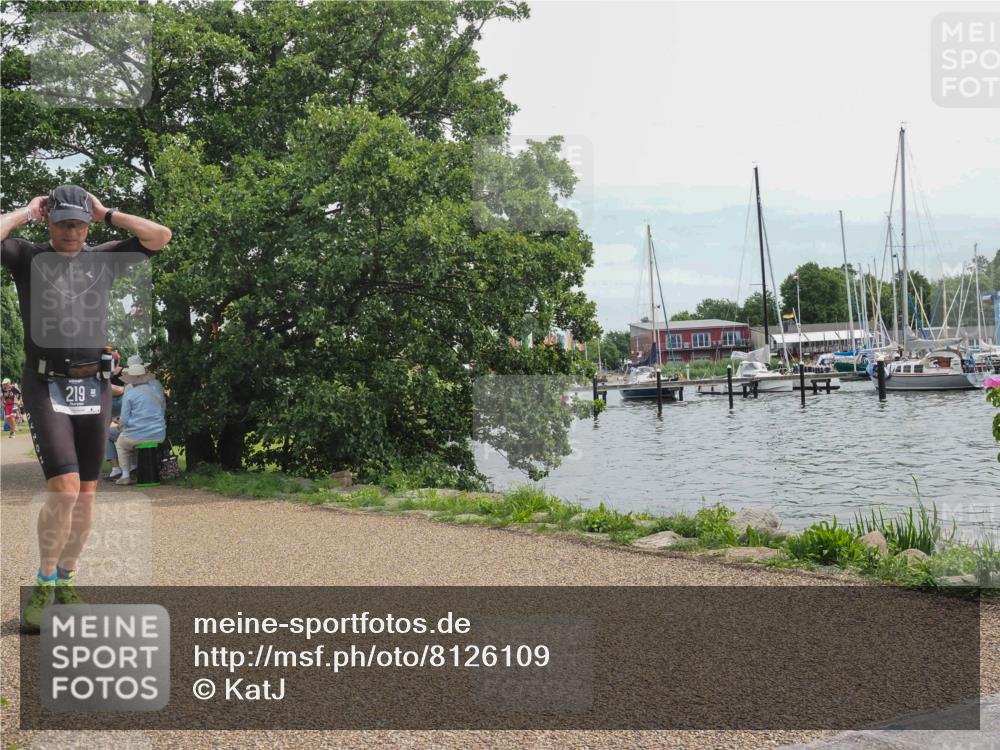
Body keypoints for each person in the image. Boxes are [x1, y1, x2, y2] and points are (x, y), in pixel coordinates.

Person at [0, 185, 171, 631]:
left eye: (78, 222)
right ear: (50, 221)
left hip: (93, 385)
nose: (71, 231)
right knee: (66, 488)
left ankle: (66, 581)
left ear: (87, 222)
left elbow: (160, 236)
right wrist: (23, 211)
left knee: (88, 494)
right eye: (63, 222)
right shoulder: (28, 257)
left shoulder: (103, 257)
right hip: (45, 384)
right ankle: (42, 583)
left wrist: (108, 213)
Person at [113, 355, 167, 485]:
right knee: (130, 436)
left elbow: (124, 419)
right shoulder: (156, 387)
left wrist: (119, 424)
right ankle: (138, 469)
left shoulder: (129, 392)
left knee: (120, 443)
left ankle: (126, 475)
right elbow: (163, 408)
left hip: (138, 434)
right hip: (160, 433)